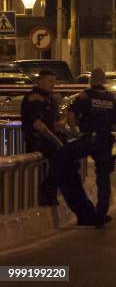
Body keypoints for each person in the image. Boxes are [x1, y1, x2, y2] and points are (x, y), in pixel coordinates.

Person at [66, 68, 116, 227]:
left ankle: (79, 205)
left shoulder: (85, 95)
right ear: (104, 80)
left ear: (91, 80)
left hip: (87, 138)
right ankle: (101, 215)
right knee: (103, 177)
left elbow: (70, 115)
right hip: (104, 140)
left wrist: (75, 132)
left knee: (65, 161)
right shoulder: (112, 98)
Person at [20, 70, 63, 206]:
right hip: (38, 140)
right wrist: (57, 141)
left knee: (66, 157)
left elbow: (54, 123)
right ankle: (47, 192)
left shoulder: (48, 98)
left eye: (54, 81)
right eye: (50, 81)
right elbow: (38, 125)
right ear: (40, 81)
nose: (53, 84)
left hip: (47, 139)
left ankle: (52, 192)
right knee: (60, 156)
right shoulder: (35, 98)